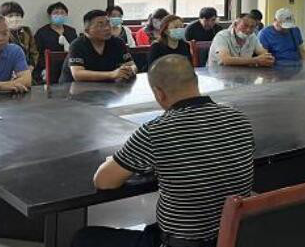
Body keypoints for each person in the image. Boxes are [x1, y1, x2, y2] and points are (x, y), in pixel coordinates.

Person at [72, 55, 254, 247]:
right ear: (195, 81)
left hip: (182, 243)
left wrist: (113, 161)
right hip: (236, 237)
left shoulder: (156, 131)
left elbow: (103, 181)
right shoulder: (239, 119)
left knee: (84, 238)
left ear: (159, 93)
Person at [61, 10, 137, 83]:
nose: (107, 28)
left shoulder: (118, 42)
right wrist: (112, 74)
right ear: (87, 30)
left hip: (107, 87)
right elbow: (78, 74)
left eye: (108, 23)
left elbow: (132, 65)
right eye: (100, 25)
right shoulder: (77, 45)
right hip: (73, 88)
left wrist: (129, 70)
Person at [207, 13, 274, 68]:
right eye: (245, 26)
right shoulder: (222, 36)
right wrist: (255, 60)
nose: (248, 30)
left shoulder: (252, 36)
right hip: (218, 74)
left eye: (252, 27)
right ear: (235, 25)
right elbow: (226, 60)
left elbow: (263, 53)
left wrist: (267, 58)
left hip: (242, 74)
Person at [34, 2, 78, 83]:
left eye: (62, 13)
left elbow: (76, 51)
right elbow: (37, 53)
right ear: (49, 15)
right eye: (56, 13)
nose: (59, 15)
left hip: (69, 68)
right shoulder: (42, 32)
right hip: (48, 69)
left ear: (66, 15)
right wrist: (43, 68)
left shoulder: (71, 31)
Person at [0, 1, 39, 72]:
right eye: (10, 16)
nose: (15, 18)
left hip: (26, 69)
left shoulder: (27, 31)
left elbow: (34, 51)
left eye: (17, 15)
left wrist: (31, 65)